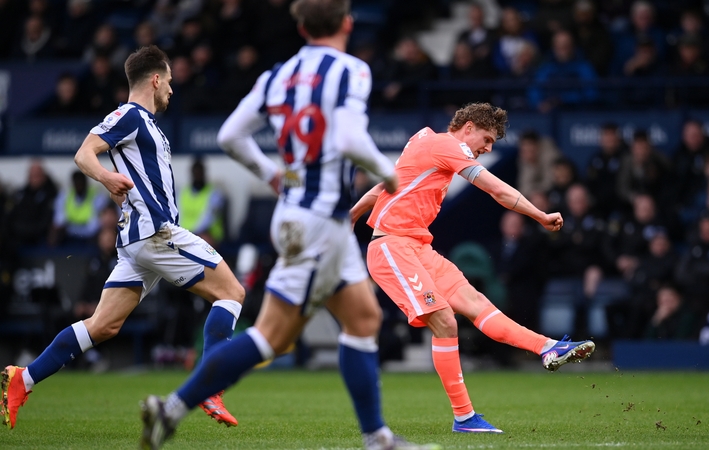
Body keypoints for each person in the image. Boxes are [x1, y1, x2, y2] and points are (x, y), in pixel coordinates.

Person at [139, 2, 438, 449]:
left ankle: (377, 437)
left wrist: (271, 174)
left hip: (309, 216)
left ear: (300, 26)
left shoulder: (278, 75)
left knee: (363, 317)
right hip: (318, 222)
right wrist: (388, 171)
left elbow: (229, 136)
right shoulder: (351, 70)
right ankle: (172, 407)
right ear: (347, 23)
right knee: (271, 337)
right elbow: (350, 140)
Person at [1, 45, 245, 431]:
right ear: (155, 78)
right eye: (169, 82)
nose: (172, 90)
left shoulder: (148, 126)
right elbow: (84, 154)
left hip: (137, 245)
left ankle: (23, 380)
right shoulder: (129, 116)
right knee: (232, 293)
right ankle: (209, 387)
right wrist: (107, 177)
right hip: (153, 234)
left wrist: (114, 179)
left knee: (102, 326)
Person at [351, 102, 595, 433]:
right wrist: (540, 215)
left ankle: (547, 348)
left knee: (476, 304)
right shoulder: (447, 146)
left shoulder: (424, 140)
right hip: (393, 247)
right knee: (445, 321)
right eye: (488, 138)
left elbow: (385, 185)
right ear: (468, 127)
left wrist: (352, 215)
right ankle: (464, 417)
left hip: (419, 247)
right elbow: (495, 188)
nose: (488, 148)